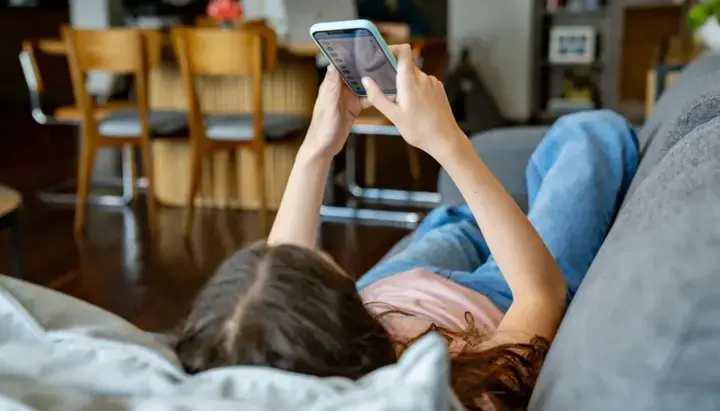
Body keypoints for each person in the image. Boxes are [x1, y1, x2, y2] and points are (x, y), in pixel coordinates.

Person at [174, 45, 639, 409]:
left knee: (453, 221)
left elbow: (278, 290)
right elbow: (540, 295)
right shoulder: (465, 385)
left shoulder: (273, 356)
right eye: (323, 267)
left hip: (388, 292)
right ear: (346, 332)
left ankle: (500, 222)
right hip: (499, 298)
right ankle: (515, 226)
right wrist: (445, 140)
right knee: (593, 133)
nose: (316, 254)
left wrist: (318, 147)